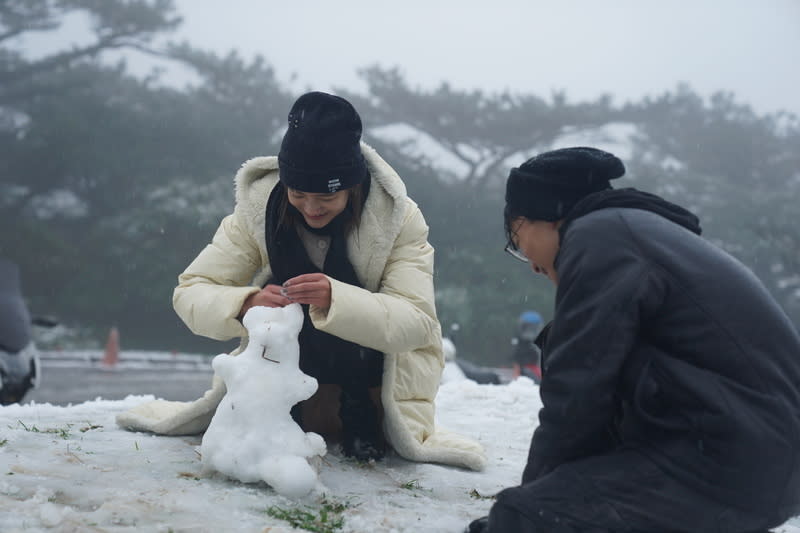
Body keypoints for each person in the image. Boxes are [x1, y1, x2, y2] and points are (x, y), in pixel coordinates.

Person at [116, 91, 486, 472]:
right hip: (274, 392)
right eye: (298, 193)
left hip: (376, 395)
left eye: (326, 195)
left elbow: (417, 323)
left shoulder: (400, 220)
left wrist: (336, 299)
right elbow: (191, 291)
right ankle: (284, 415)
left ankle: (359, 416)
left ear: (353, 186)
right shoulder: (256, 213)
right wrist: (246, 304)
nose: (311, 208)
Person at [466, 147, 800, 532]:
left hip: (726, 463)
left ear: (548, 217)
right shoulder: (636, 232)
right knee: (559, 338)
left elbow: (578, 390)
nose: (533, 265)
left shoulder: (601, 237)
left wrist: (534, 502)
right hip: (748, 459)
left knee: (519, 518)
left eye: (517, 238)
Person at [510, 310, 543, 383]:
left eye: (532, 329)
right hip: (525, 372)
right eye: (528, 329)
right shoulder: (518, 343)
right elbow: (516, 361)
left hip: (534, 371)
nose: (529, 333)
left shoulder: (538, 344)